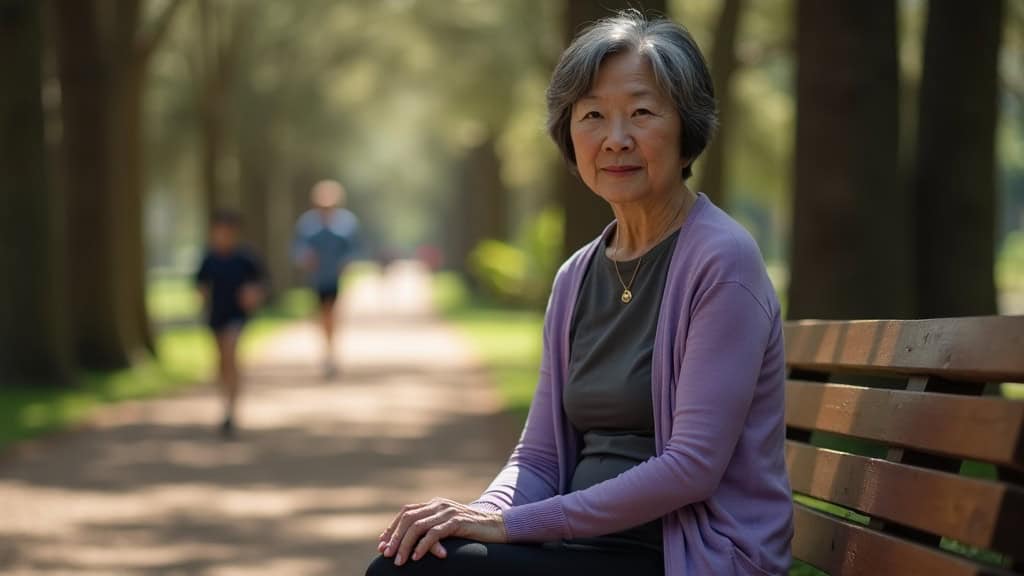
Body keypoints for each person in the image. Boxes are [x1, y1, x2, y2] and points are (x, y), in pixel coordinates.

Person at [367, 10, 792, 576]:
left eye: (641, 112)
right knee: (414, 557)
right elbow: (539, 456)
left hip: (688, 555)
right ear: (571, 136)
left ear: (687, 131)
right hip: (586, 546)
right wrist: (480, 513)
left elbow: (693, 466)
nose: (616, 139)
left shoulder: (722, 260)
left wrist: (511, 526)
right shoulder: (576, 276)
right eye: (593, 115)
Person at [195, 210, 265, 438]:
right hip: (216, 316)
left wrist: (253, 296)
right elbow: (200, 285)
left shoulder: (245, 259)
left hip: (237, 317)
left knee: (230, 354)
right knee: (221, 361)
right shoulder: (209, 259)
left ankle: (232, 409)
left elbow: (260, 284)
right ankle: (225, 403)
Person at [293, 179, 360, 378]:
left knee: (332, 314)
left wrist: (346, 263)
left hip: (336, 278)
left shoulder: (347, 223)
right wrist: (305, 257)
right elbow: (297, 248)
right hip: (316, 279)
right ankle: (326, 349)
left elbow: (354, 249)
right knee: (321, 315)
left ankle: (331, 352)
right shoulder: (307, 224)